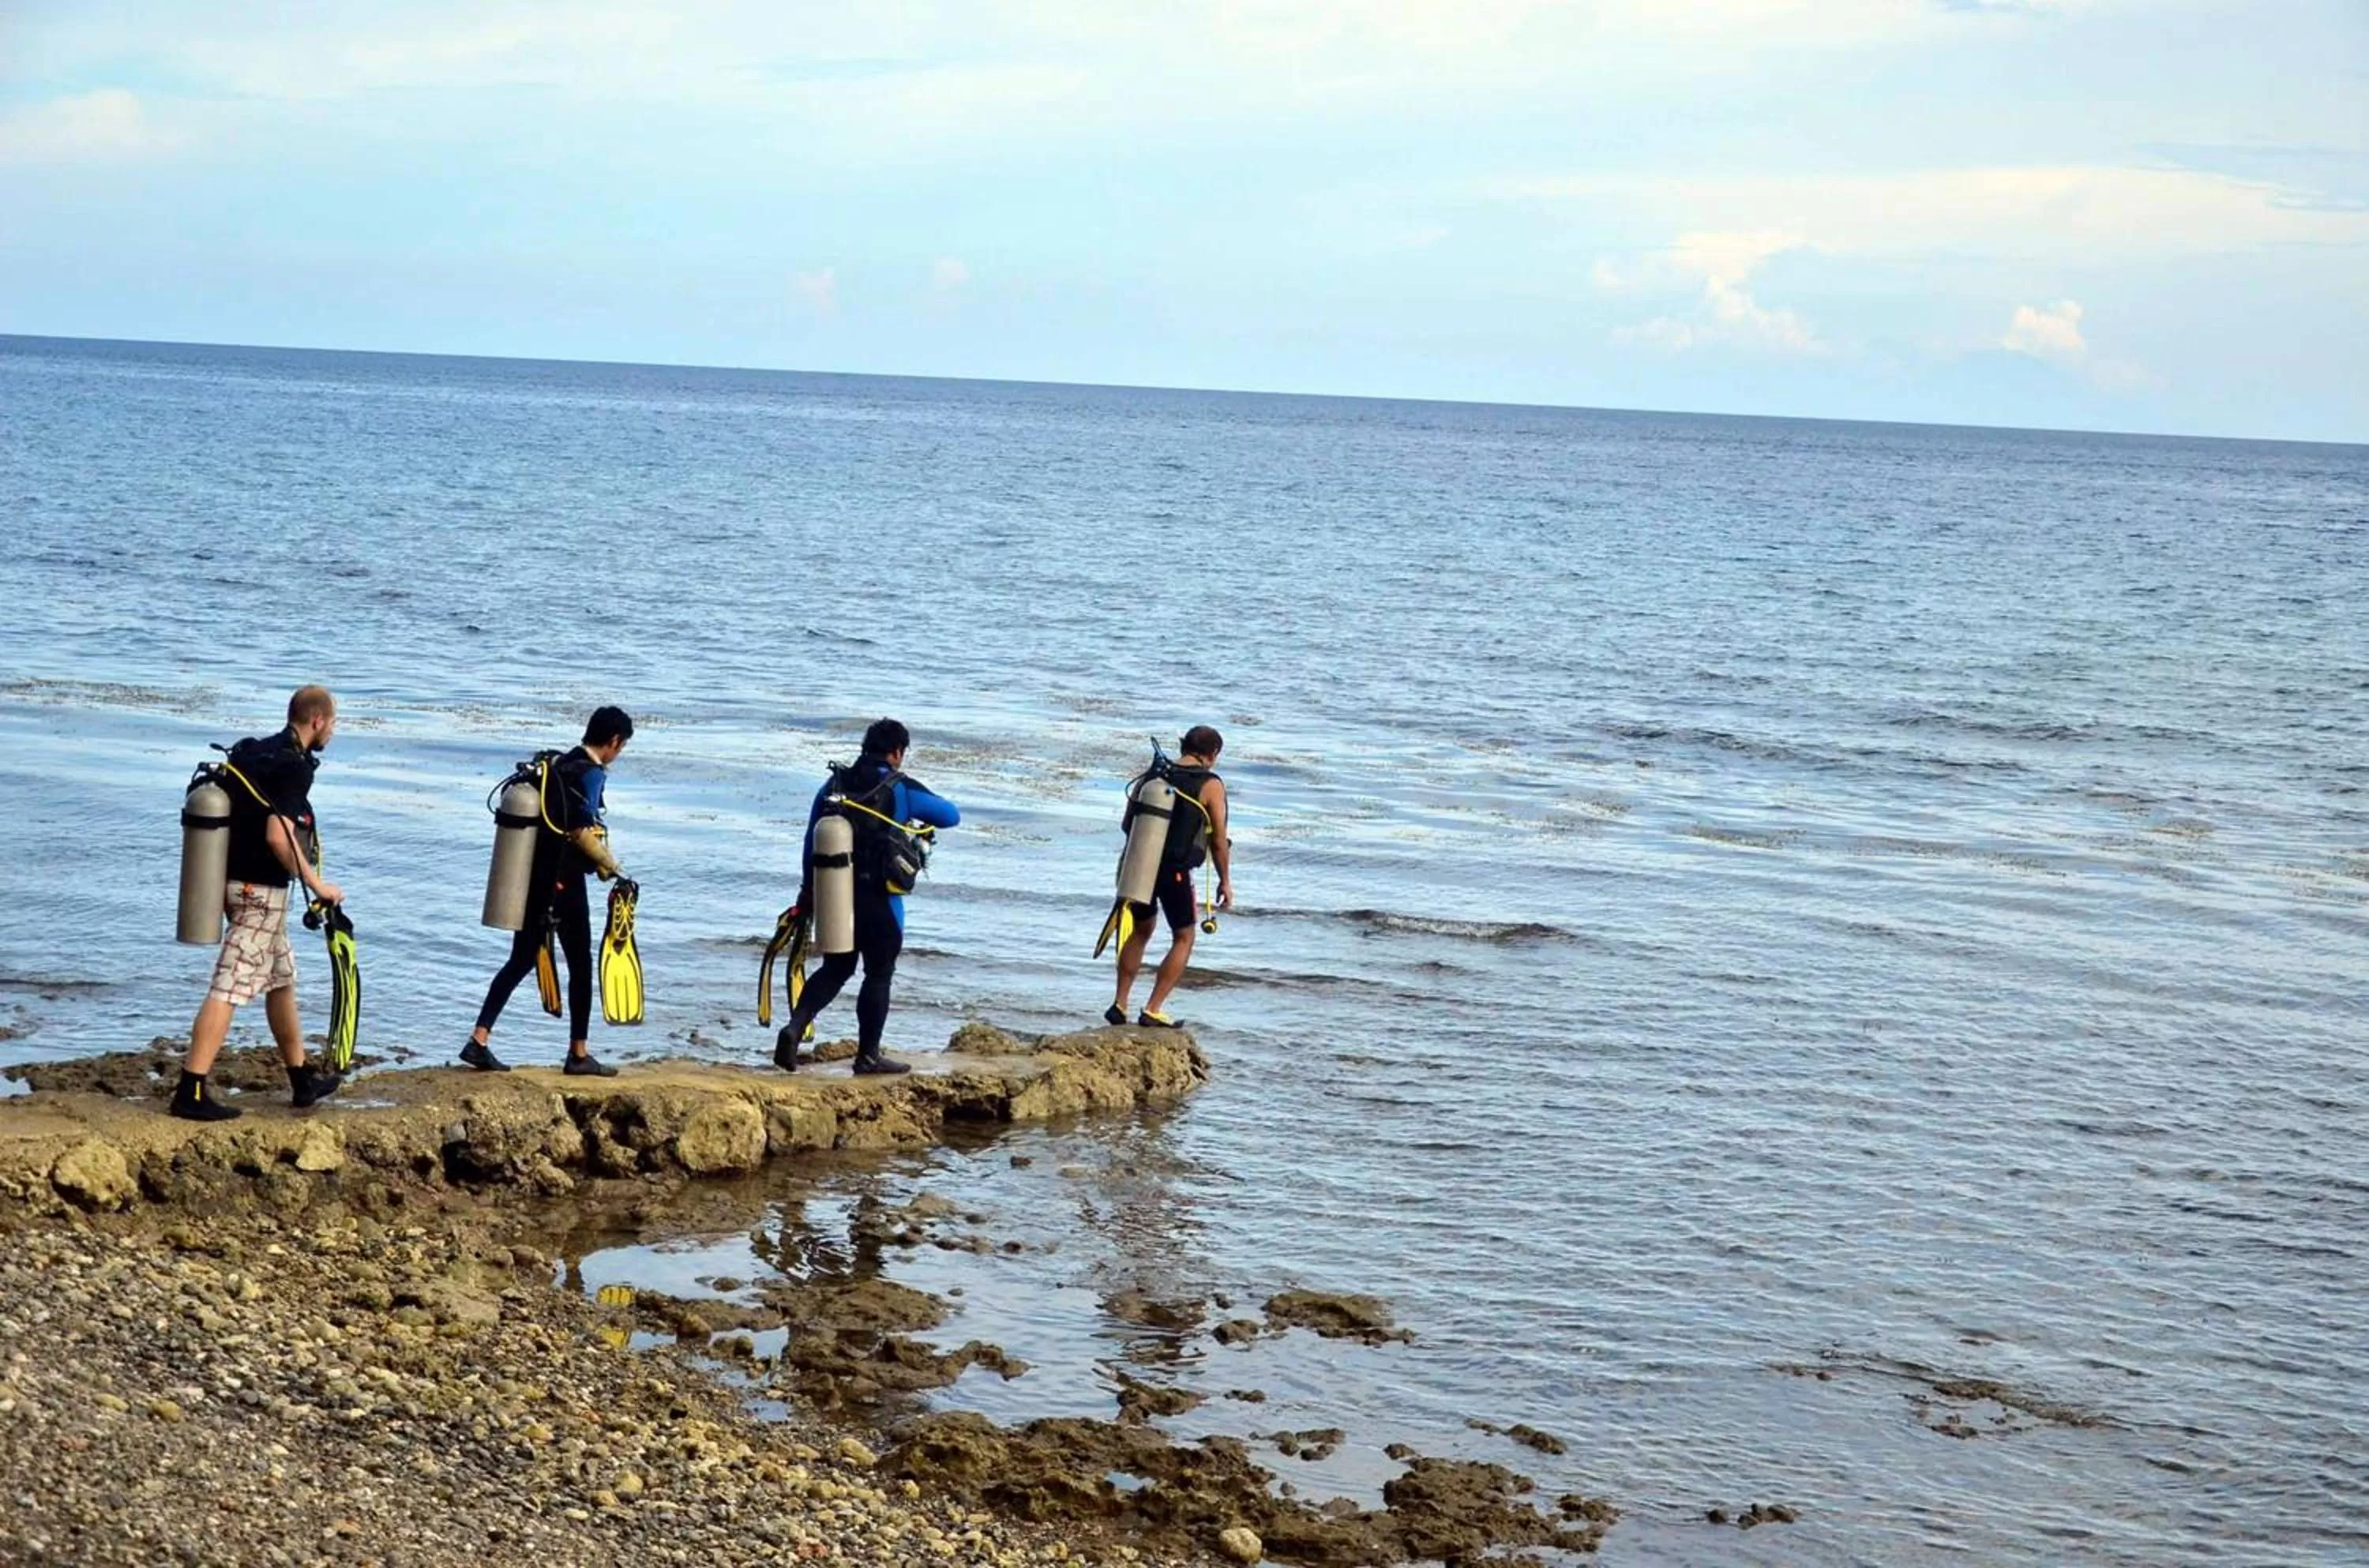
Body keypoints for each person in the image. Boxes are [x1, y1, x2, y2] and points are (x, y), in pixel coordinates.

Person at [170, 686, 348, 1122]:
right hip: (259, 893)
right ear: (318, 721)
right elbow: (277, 835)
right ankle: (190, 1090)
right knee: (228, 988)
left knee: (280, 978)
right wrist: (316, 883)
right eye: (335, 723)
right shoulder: (294, 768)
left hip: (227, 880)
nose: (334, 732)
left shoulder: (254, 752)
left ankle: (302, 1080)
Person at [775, 718, 960, 1075]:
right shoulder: (900, 787)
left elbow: (810, 838)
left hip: (834, 891)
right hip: (880, 900)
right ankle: (868, 1056)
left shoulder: (835, 783)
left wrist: (807, 890)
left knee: (836, 968)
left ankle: (795, 1028)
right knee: (879, 973)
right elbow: (950, 815)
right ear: (897, 752)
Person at [460, 707, 634, 1075]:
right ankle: (579, 1053)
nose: (618, 755)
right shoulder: (589, 774)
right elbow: (578, 831)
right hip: (564, 881)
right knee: (581, 965)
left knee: (521, 959)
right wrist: (615, 869)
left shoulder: (559, 763)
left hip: (532, 878)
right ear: (614, 742)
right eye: (621, 748)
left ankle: (479, 1040)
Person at [1107, 726, 1233, 1029]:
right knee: (1184, 936)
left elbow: (1128, 825)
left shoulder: (1152, 776)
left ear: (1182, 746)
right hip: (1174, 870)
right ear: (1213, 754)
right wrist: (1225, 881)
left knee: (1140, 931)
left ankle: (1119, 1003)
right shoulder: (1211, 785)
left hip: (1139, 864)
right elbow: (1218, 840)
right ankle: (1153, 1008)